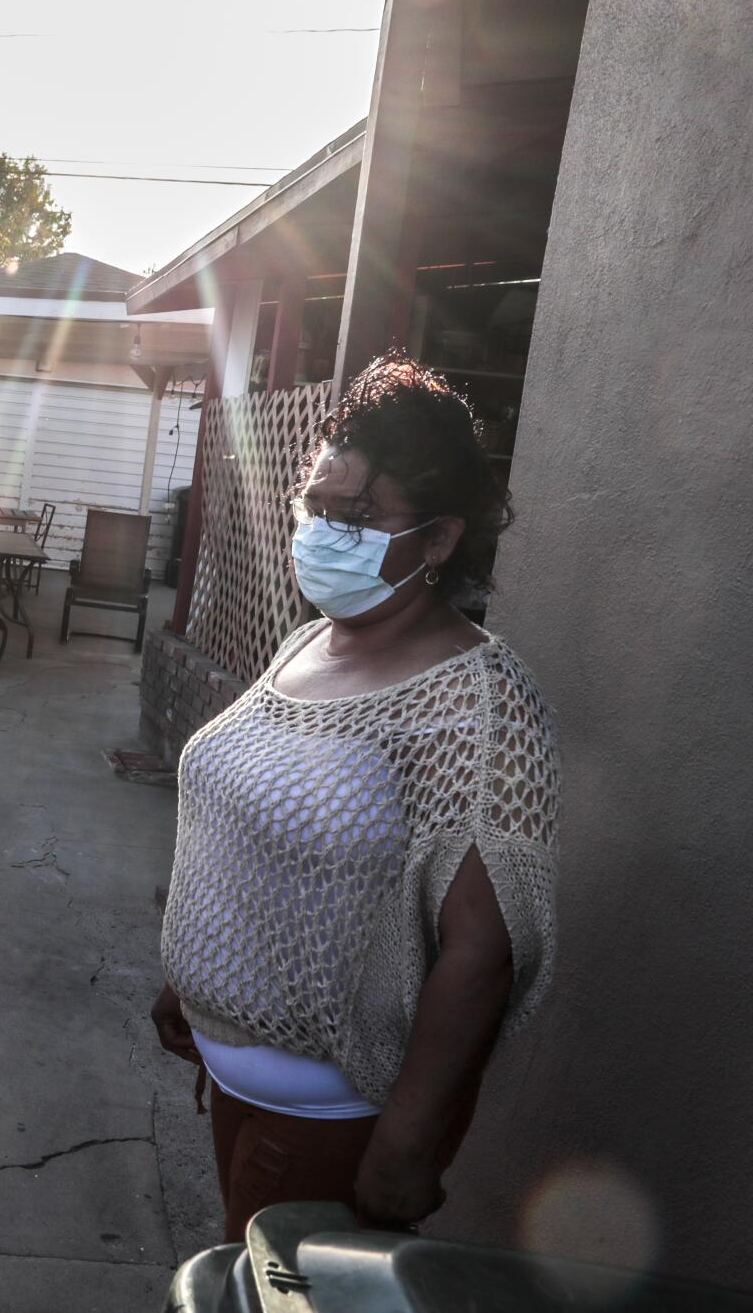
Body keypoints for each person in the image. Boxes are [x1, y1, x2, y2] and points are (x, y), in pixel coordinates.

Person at [151, 353, 560, 1239]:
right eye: (320, 507)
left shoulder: (475, 701)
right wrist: (184, 979)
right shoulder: (308, 643)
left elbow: (481, 952)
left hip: (328, 1120)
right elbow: (245, 825)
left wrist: (407, 1143)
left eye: (361, 516)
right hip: (233, 1074)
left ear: (442, 540)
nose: (326, 531)